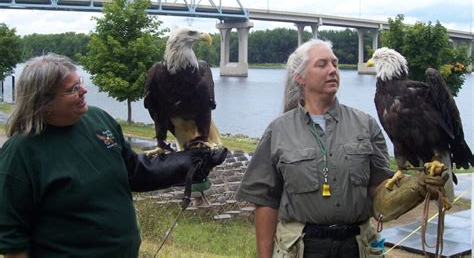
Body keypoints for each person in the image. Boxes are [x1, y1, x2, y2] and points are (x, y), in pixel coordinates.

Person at [236, 39, 448, 258]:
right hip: (301, 248)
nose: (332, 70)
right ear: (299, 77)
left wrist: (415, 188)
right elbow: (265, 201)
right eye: (322, 64)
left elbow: (379, 193)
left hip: (356, 247)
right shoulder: (279, 130)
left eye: (335, 64)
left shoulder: (365, 124)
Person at [0, 53, 227, 258]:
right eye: (71, 90)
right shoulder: (21, 154)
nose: (83, 91)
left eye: (80, 83)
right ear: (42, 101)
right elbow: (13, 241)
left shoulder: (98, 121)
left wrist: (186, 163)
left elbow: (133, 172)